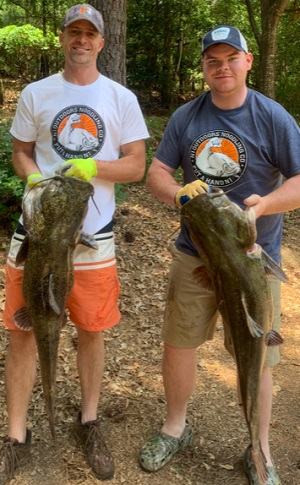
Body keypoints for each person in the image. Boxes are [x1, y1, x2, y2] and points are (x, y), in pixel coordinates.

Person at [139, 25, 300, 485]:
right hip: (195, 255)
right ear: (205, 68)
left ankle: (259, 449)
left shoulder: (272, 117)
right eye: (213, 60)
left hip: (254, 258)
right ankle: (175, 427)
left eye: (231, 58)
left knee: (258, 355)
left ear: (248, 62)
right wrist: (177, 196)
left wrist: (265, 205)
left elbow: (299, 180)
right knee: (179, 342)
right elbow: (156, 174)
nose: (221, 67)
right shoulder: (186, 117)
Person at [0, 3, 149, 484]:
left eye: (90, 33)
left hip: (93, 238)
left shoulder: (120, 97)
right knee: (24, 332)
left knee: (91, 328)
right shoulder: (36, 93)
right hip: (38, 233)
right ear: (63, 39)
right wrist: (35, 179)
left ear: (102, 42)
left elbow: (137, 166)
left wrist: (94, 167)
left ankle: (89, 423)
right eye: (74, 32)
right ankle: (17, 435)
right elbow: (21, 152)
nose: (81, 40)